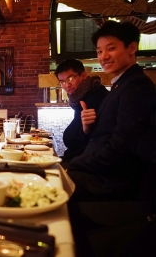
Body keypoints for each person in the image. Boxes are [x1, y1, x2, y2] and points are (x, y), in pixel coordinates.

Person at [65, 20, 156, 202]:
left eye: (111, 48)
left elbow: (121, 148)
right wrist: (88, 128)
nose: (103, 56)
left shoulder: (136, 86)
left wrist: (74, 165)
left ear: (131, 48)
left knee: (50, 183)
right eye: (99, 51)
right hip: (102, 172)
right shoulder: (120, 85)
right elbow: (102, 137)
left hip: (113, 182)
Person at [55, 59, 108, 164]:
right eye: (62, 82)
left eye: (70, 78)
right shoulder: (83, 97)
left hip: (87, 165)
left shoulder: (95, 97)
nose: (67, 85)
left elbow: (99, 142)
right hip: (76, 160)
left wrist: (86, 130)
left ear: (83, 75)